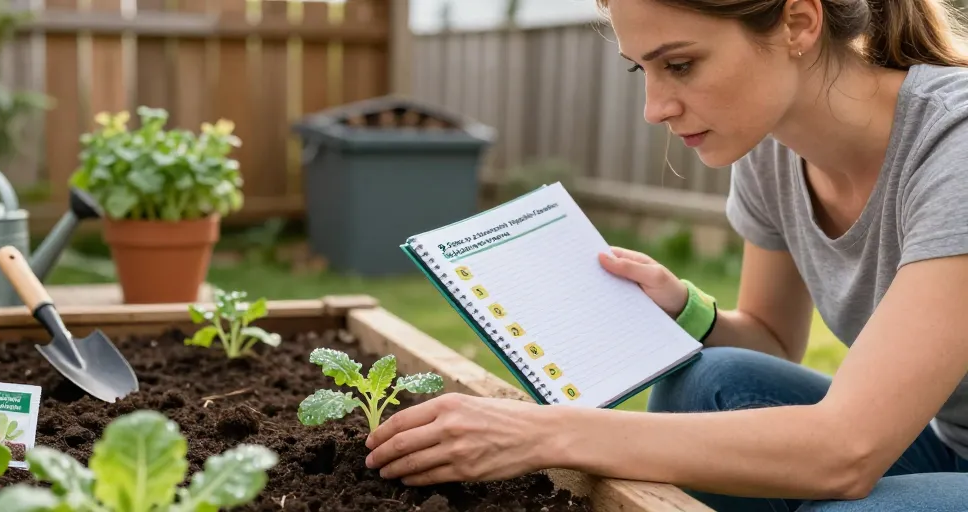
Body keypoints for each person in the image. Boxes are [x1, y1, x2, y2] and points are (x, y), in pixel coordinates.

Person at [363, 0, 968, 509]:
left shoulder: (953, 145)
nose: (655, 108)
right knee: (706, 382)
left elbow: (847, 452)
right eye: (641, 71)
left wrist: (543, 434)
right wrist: (684, 308)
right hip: (947, 443)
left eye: (680, 64)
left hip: (885, 446)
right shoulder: (774, 150)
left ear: (799, 23)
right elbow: (773, 341)